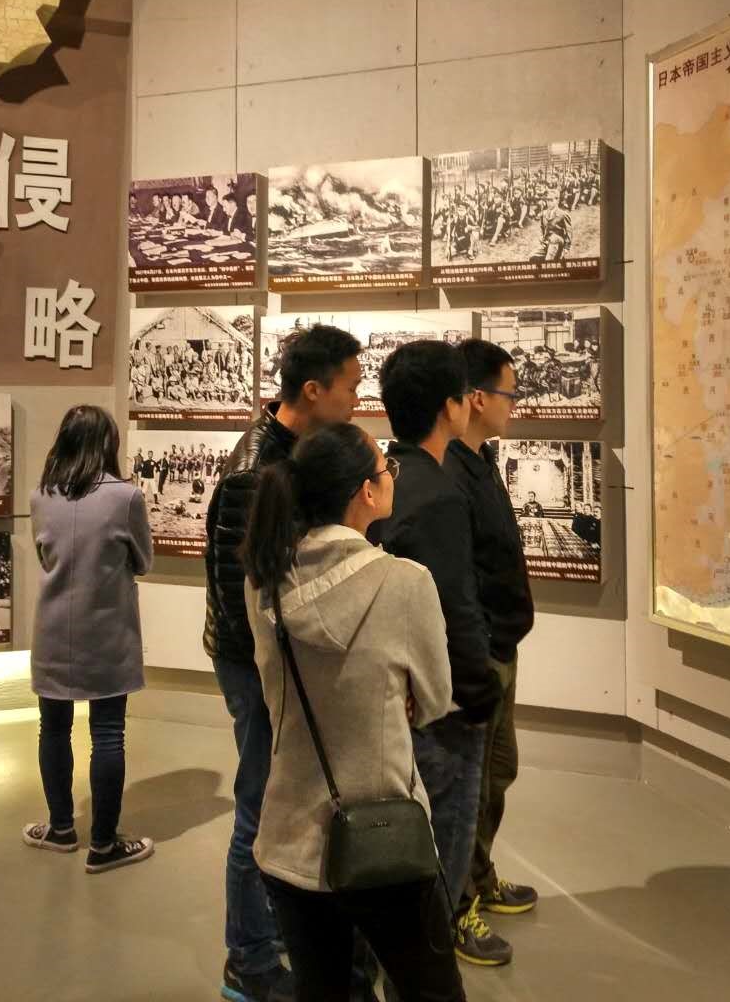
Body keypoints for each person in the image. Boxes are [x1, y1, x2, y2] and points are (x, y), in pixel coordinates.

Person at [242, 422, 464, 1002]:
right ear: (367, 492)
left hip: (289, 838)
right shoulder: (405, 583)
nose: (392, 475)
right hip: (385, 835)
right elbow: (433, 700)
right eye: (387, 468)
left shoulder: (263, 580)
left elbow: (272, 690)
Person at [204, 324, 363, 1002]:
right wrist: (280, 674)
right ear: (314, 390)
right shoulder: (255, 471)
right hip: (256, 666)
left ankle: (272, 936)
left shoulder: (291, 454)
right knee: (259, 805)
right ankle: (249, 958)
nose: (357, 399)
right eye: (350, 387)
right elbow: (235, 593)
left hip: (275, 662)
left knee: (276, 799)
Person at [369, 342, 505, 973]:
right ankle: (426, 964)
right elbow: (456, 608)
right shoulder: (441, 494)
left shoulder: (385, 480)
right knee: (441, 846)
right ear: (452, 407)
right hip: (442, 702)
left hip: (393, 692)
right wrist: (479, 692)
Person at [24, 405, 154, 873]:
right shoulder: (126, 497)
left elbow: (44, 557)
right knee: (108, 733)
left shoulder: (41, 495)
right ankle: (103, 844)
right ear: (108, 444)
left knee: (53, 728)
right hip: (108, 632)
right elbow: (143, 562)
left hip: (52, 630)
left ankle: (61, 829)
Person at [445, 341, 538, 954]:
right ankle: (457, 906)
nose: (514, 404)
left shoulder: (479, 461)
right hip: (482, 655)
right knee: (468, 787)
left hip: (500, 648)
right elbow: (458, 579)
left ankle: (478, 878)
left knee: (496, 773)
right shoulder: (452, 473)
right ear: (477, 398)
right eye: (508, 392)